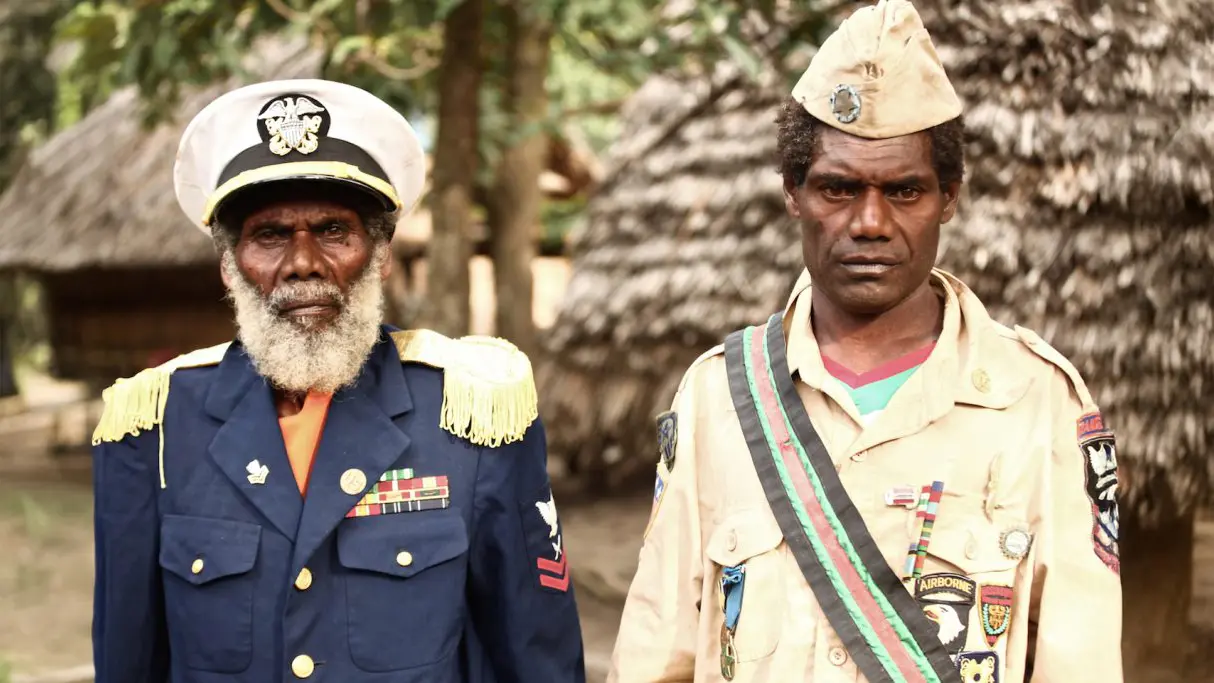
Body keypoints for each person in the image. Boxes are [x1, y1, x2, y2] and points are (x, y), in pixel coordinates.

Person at [608, 2, 1122, 682]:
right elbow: (655, 652)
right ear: (794, 193)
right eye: (838, 188)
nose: (871, 221)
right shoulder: (721, 397)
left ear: (949, 196)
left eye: (904, 190)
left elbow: (1078, 662)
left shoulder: (1038, 403)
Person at [90, 79, 585, 683]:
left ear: (380, 253)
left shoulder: (470, 416)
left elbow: (537, 655)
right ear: (228, 264)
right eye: (270, 235)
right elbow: (128, 658)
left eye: (332, 231)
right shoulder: (156, 428)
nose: (304, 263)